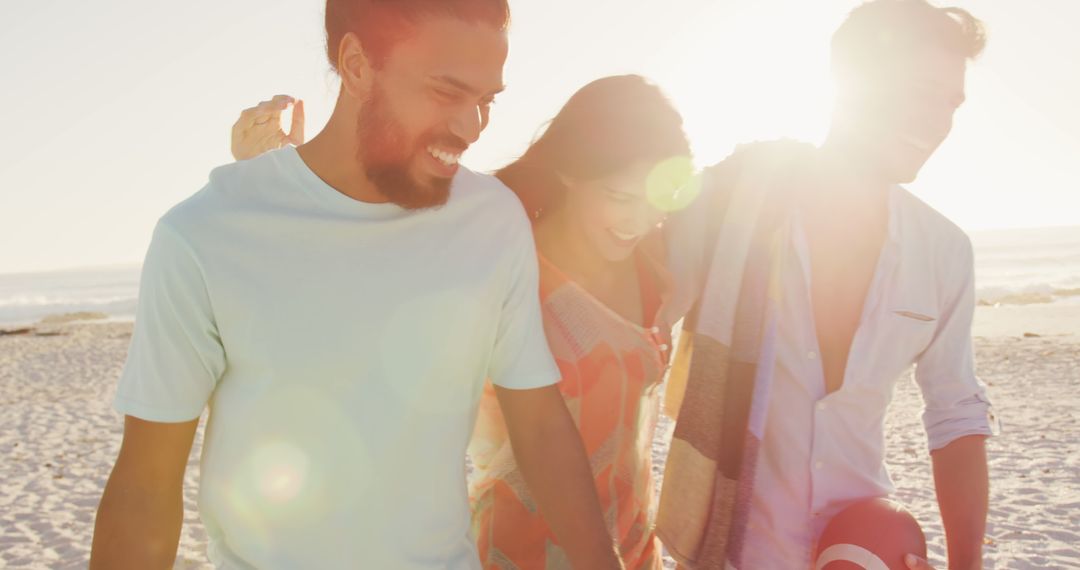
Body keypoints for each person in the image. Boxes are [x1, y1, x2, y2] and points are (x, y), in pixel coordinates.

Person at [90, 1, 623, 568]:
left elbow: (539, 423)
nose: (471, 127)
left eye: (486, 100)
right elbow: (147, 483)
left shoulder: (493, 221)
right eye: (446, 92)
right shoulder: (205, 234)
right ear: (357, 64)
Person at [232, 75, 694, 569]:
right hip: (514, 554)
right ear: (570, 172)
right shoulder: (495, 256)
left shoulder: (657, 264)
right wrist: (279, 179)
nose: (638, 220)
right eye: (620, 198)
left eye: (655, 203)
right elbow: (355, 276)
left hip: (634, 550)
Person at [656, 2, 996, 569]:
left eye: (951, 101)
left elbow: (956, 414)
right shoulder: (731, 206)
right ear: (851, 81)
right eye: (919, 90)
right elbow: (634, 318)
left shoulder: (943, 250)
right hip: (731, 551)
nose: (938, 119)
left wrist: (967, 563)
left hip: (863, 550)